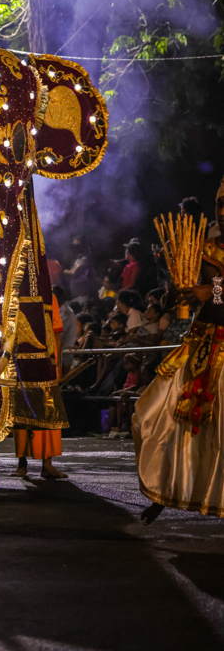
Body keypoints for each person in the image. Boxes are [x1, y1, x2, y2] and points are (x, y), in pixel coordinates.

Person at [133, 177, 224, 522]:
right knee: (156, 414)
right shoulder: (206, 245)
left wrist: (211, 290)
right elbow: (185, 296)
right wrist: (177, 292)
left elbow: (213, 293)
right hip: (200, 341)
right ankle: (167, 488)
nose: (223, 212)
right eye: (220, 204)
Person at [13, 295, 68, 480]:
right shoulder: (13, 292)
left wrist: (57, 366)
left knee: (48, 412)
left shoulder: (49, 296)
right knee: (21, 412)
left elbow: (56, 333)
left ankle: (47, 464)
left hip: (45, 363)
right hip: (20, 362)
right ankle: (22, 463)